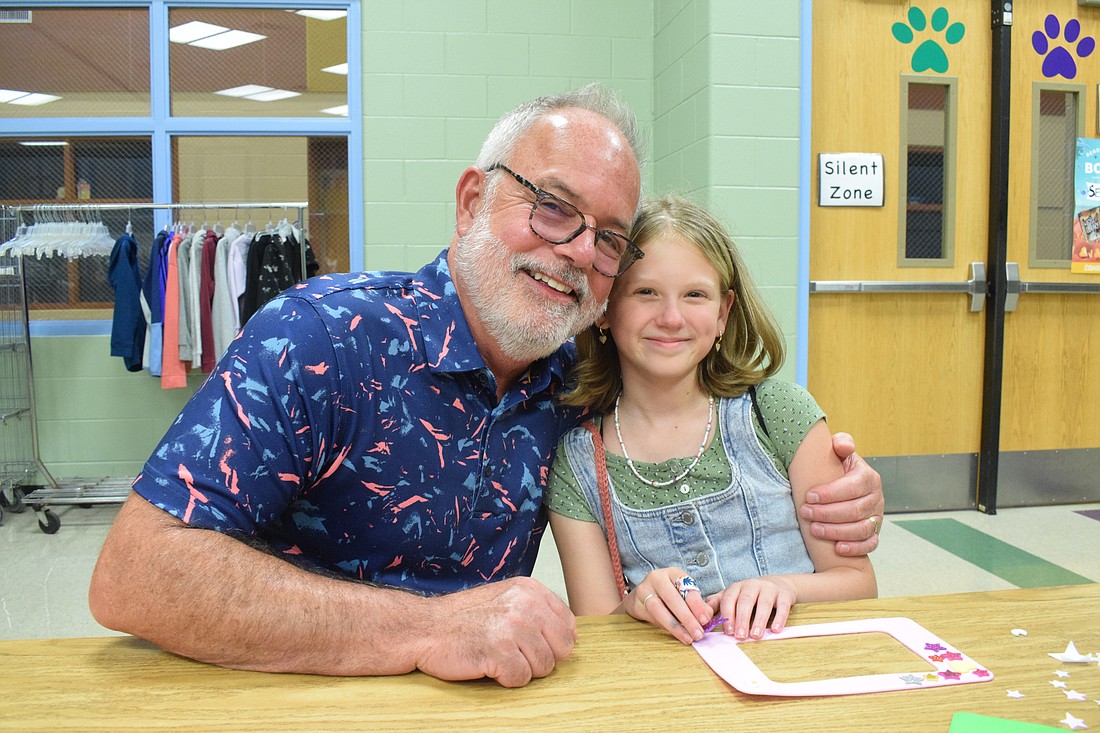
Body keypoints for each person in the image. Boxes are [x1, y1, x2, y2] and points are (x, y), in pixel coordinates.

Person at [88, 85, 884, 689]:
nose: (576, 251)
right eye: (550, 208)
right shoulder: (324, 339)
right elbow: (135, 574)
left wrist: (839, 488)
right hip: (283, 693)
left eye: (609, 238)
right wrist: (427, 628)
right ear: (473, 199)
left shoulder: (578, 380)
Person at [546, 195, 877, 646]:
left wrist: (787, 587)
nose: (671, 317)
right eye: (646, 293)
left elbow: (858, 584)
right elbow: (597, 628)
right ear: (605, 309)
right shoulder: (577, 461)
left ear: (723, 313)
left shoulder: (779, 412)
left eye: (695, 295)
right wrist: (634, 604)